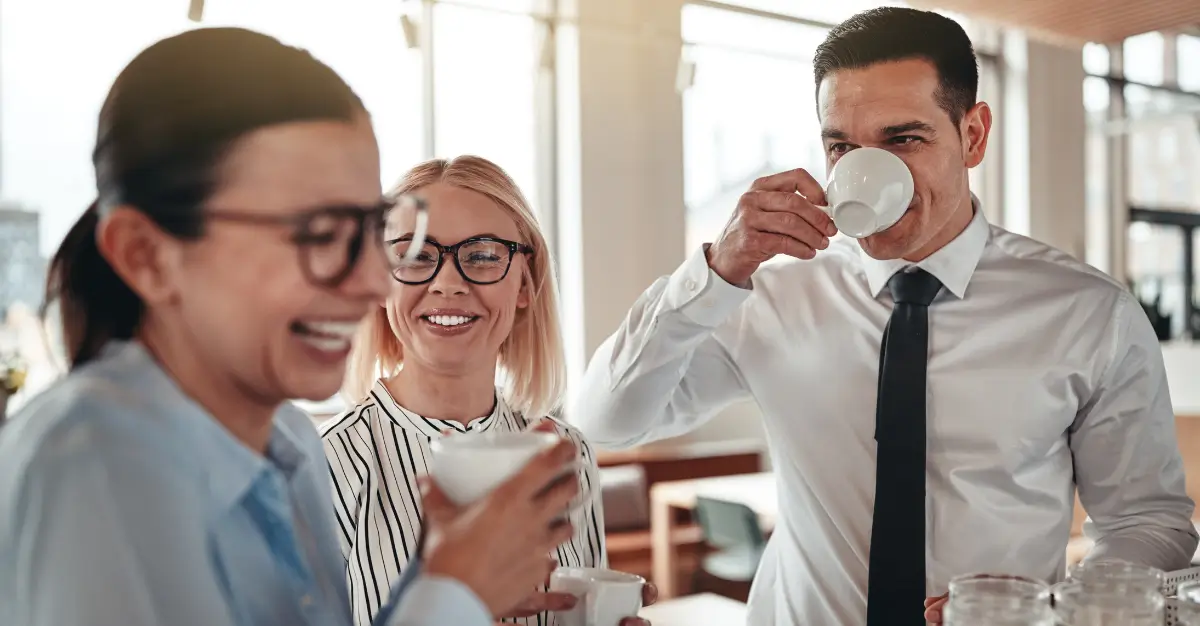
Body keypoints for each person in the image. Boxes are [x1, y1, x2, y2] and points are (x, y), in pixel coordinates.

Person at [569, 7, 1198, 626]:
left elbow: (1149, 522)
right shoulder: (769, 296)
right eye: (842, 146)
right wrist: (712, 272)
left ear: (973, 135)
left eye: (903, 139)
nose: (865, 172)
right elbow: (606, 420)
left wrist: (1048, 612)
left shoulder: (1088, 313)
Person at [0, 28, 581, 626]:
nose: (373, 284)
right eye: (318, 234)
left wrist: (433, 583)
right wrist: (455, 596)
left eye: (367, 230)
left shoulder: (292, 443)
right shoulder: (87, 469)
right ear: (148, 256)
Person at [322, 155, 654, 626]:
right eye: (415, 256)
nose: (448, 284)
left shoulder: (568, 453)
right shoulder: (325, 465)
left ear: (525, 284)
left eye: (481, 255)